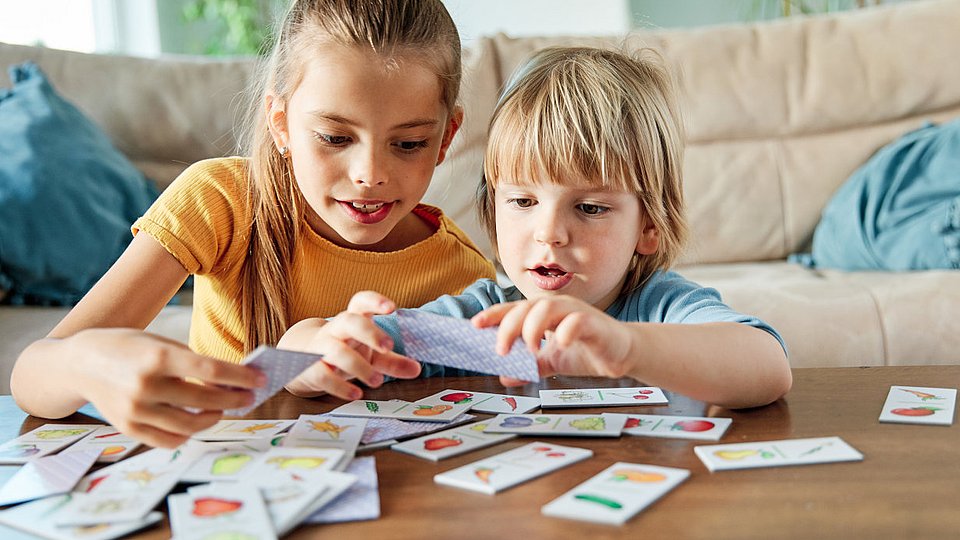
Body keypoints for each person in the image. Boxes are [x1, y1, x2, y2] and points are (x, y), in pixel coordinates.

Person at [10, 0, 495, 447]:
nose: (371, 175)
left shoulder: (465, 276)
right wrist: (88, 363)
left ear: (447, 136)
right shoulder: (220, 201)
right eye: (334, 137)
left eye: (408, 143)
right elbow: (31, 378)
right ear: (281, 124)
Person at [305, 46, 792, 409]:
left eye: (591, 208)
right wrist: (310, 346)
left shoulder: (660, 306)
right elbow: (344, 350)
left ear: (649, 226)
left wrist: (626, 347)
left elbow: (768, 368)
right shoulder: (484, 322)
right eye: (522, 200)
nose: (549, 233)